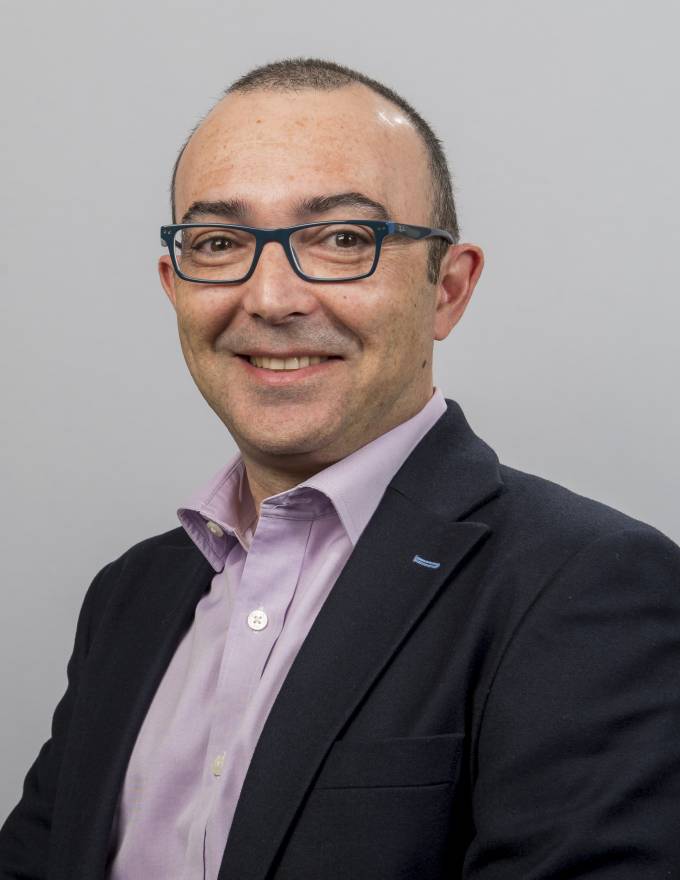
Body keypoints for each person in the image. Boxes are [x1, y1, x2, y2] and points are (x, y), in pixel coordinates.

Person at [1, 57, 679, 880]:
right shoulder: (129, 598)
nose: (271, 298)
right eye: (219, 243)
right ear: (174, 286)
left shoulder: (587, 585)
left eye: (342, 239)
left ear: (447, 289)